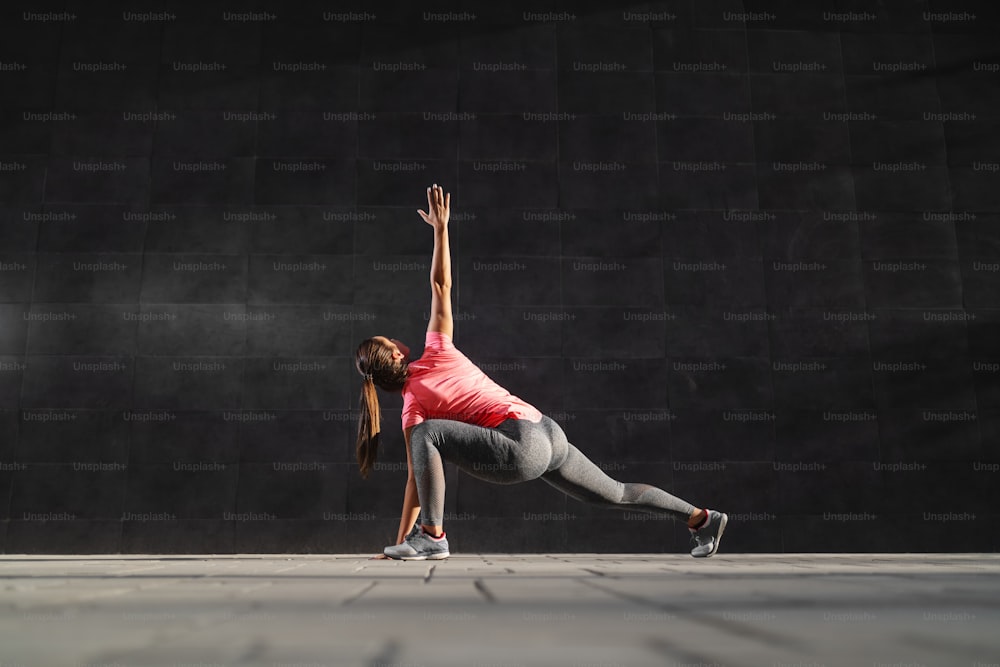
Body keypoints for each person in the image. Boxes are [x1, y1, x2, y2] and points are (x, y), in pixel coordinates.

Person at [354, 184, 727, 561]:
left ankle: (432, 537)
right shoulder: (437, 350)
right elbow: (441, 285)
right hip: (546, 432)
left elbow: (416, 484)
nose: (394, 336)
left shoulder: (412, 409)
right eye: (387, 337)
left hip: (524, 445)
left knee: (426, 435)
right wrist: (441, 229)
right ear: (395, 353)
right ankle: (700, 519)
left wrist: (402, 539)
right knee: (616, 492)